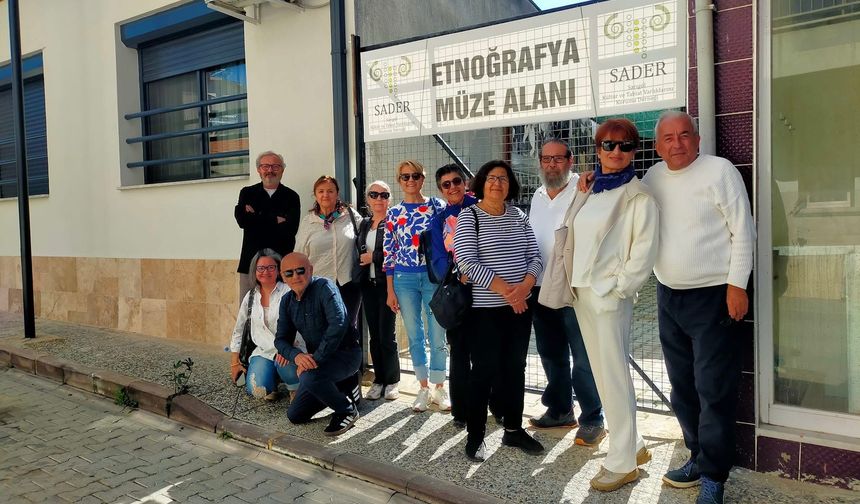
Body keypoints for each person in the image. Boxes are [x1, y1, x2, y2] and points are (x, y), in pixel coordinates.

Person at [645, 112, 754, 504]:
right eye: (668, 138)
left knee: (714, 389)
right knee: (682, 388)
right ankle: (697, 455)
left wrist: (737, 285)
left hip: (714, 297)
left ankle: (713, 477)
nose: (677, 144)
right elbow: (624, 208)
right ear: (657, 146)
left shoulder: (719, 171)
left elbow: (744, 229)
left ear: (698, 137)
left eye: (684, 135)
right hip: (669, 295)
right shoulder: (652, 178)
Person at [568, 119, 659, 491]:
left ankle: (622, 463)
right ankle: (633, 445)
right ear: (598, 149)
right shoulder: (590, 189)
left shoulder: (640, 196)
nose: (616, 152)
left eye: (624, 146)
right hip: (582, 291)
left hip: (608, 295)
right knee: (603, 374)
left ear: (635, 150)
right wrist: (580, 191)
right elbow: (573, 231)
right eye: (608, 145)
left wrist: (620, 289)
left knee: (615, 375)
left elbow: (645, 251)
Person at [454, 160, 544, 461]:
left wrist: (524, 288)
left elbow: (536, 256)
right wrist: (509, 291)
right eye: (491, 178)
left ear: (510, 185)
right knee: (483, 372)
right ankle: (476, 436)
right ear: (481, 183)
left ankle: (514, 429)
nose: (497, 183)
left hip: (519, 308)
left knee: (515, 369)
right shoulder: (470, 217)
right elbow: (467, 262)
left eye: (503, 179)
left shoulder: (519, 215)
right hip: (485, 311)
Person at [529, 140, 605, 447]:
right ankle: (561, 410)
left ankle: (593, 418)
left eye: (557, 159)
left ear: (570, 160)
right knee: (551, 354)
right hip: (540, 287)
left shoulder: (586, 189)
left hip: (574, 289)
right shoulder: (536, 195)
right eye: (546, 159)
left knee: (583, 357)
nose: (551, 165)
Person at [383, 160, 450, 412]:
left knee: (437, 334)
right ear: (399, 180)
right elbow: (389, 252)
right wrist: (390, 289)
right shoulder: (393, 213)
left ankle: (440, 388)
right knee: (414, 335)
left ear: (423, 178)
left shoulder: (437, 206)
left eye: (415, 176)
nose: (410, 181)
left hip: (433, 278)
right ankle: (422, 388)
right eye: (404, 177)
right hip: (404, 279)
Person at [274, 253, 362, 436]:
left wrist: (315, 360)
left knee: (309, 376)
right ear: (283, 277)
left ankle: (347, 409)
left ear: (311, 270)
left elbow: (338, 324)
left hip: (346, 355)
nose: (296, 276)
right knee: (295, 415)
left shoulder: (325, 287)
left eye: (300, 271)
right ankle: (345, 384)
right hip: (320, 363)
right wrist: (296, 356)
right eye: (289, 273)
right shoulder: (286, 301)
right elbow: (280, 339)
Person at [427, 164, 478, 428]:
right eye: (446, 184)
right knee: (459, 351)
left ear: (465, 181)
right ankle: (461, 411)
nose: (452, 187)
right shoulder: (439, 220)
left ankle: (495, 405)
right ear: (440, 190)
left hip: (489, 291)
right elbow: (436, 260)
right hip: (459, 291)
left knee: (488, 351)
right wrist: (457, 274)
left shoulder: (482, 207)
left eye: (456, 181)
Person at [229, 249, 301, 401]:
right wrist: (234, 363)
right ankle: (272, 379)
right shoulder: (250, 297)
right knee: (257, 390)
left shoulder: (289, 292)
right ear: (255, 271)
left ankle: (294, 387)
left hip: (289, 349)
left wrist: (287, 348)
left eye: (271, 267)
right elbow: (238, 330)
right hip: (264, 351)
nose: (265, 272)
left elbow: (300, 325)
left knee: (285, 365)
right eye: (260, 268)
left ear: (278, 270)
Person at [294, 175, 363, 330]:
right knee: (322, 329)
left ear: (337, 193)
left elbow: (366, 238)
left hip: (348, 282)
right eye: (321, 191)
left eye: (330, 191)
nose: (325, 195)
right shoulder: (309, 221)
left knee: (348, 329)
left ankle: (348, 355)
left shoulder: (350, 216)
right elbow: (299, 254)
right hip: (318, 285)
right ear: (315, 195)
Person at [234, 151, 301, 302]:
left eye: (275, 166)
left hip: (281, 265)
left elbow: (291, 229)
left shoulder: (291, 196)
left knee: (281, 310)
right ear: (258, 169)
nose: (270, 170)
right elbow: (242, 221)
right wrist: (275, 219)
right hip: (250, 263)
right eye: (265, 166)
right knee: (248, 310)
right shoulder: (247, 193)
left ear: (282, 170)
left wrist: (256, 217)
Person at [357, 180, 400, 401]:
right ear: (368, 199)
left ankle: (392, 380)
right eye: (374, 195)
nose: (379, 199)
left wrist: (372, 257)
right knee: (374, 335)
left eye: (384, 195)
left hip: (387, 285)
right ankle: (379, 379)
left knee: (387, 335)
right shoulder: (364, 224)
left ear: (389, 199)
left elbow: (399, 253)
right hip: (368, 285)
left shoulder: (395, 222)